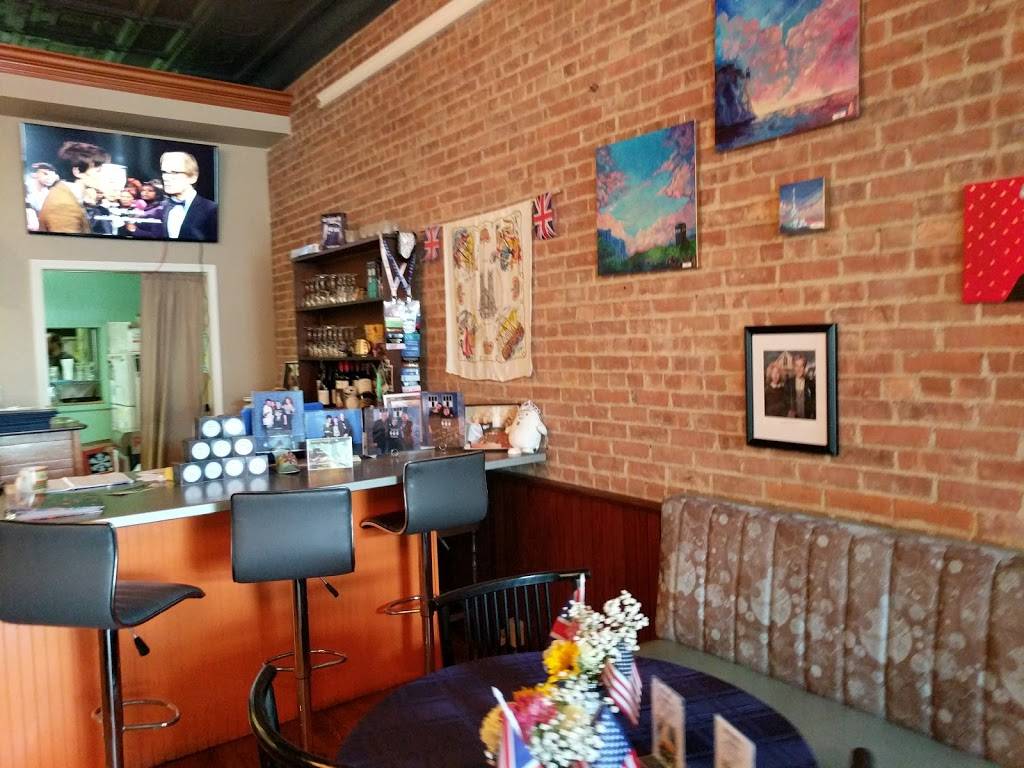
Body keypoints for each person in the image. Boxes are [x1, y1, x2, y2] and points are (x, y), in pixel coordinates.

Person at [38, 141, 110, 234]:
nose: (105, 176)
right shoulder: (63, 205)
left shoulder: (66, 195)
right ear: (77, 172)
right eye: (98, 171)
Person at [157, 151, 217, 241]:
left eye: (175, 172)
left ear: (193, 177)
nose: (166, 177)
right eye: (164, 172)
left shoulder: (211, 209)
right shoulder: (160, 207)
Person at [786, 354, 816, 419]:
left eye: (801, 366)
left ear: (804, 367)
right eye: (796, 366)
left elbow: (814, 402)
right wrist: (788, 411)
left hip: (807, 418)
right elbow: (785, 401)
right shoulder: (788, 383)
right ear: (794, 367)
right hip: (793, 420)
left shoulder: (810, 383)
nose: (799, 369)